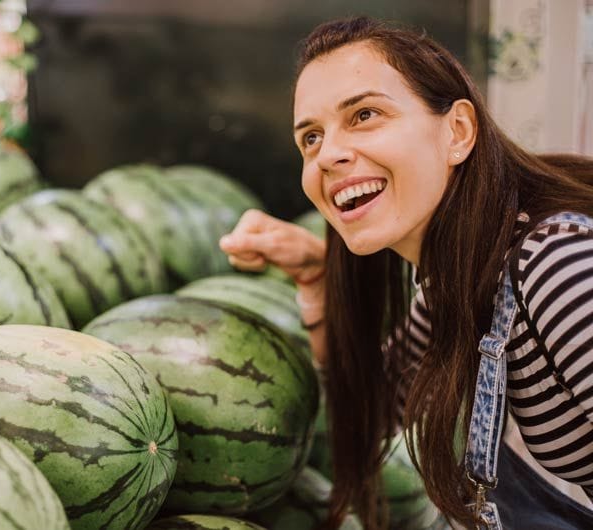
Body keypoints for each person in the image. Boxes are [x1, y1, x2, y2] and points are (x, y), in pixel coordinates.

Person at [219, 16, 593, 530]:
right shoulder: (453, 278)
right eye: (310, 137)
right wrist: (316, 282)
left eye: (364, 114)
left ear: (457, 131)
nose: (329, 154)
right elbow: (374, 410)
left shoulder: (556, 264)